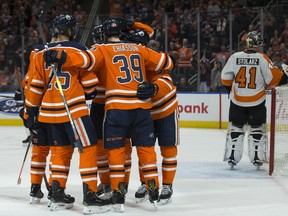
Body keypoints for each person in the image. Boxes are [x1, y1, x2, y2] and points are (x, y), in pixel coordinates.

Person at [25, 14, 111, 214]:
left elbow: (35, 86)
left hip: (48, 113)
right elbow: (90, 82)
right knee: (88, 147)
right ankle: (90, 196)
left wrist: (31, 110)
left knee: (60, 152)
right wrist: (88, 89)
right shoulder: (78, 49)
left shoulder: (40, 52)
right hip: (73, 109)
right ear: (71, 30)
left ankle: (57, 195)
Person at [123, 25, 179, 205]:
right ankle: (146, 183)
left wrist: (155, 87)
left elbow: (167, 82)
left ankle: (168, 185)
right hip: (144, 111)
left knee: (168, 149)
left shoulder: (153, 58)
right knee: (144, 149)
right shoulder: (127, 60)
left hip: (165, 109)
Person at [221, 31, 287, 169]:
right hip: (256, 102)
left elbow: (225, 78)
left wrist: (232, 91)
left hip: (237, 101)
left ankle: (232, 156)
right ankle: (257, 157)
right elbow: (274, 79)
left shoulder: (234, 57)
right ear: (257, 44)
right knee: (257, 129)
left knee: (235, 128)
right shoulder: (262, 58)